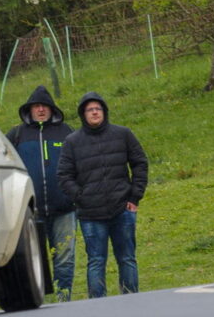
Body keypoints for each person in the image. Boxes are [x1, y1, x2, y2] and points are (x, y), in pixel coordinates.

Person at [57, 92, 148, 298]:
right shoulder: (72, 141)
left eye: (98, 108)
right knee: (96, 261)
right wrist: (80, 197)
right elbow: (63, 175)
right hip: (90, 214)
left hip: (122, 209)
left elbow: (140, 163)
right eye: (90, 109)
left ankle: (132, 299)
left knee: (127, 258)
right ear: (83, 114)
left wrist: (134, 196)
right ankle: (97, 304)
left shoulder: (123, 134)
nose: (95, 112)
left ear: (104, 111)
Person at [6, 85, 76, 301]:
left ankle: (64, 297)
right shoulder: (17, 135)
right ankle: (38, 300)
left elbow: (79, 164)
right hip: (31, 211)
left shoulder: (67, 132)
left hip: (65, 208)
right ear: (29, 109)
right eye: (36, 106)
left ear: (52, 109)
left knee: (65, 257)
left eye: (45, 106)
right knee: (34, 258)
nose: (41, 110)